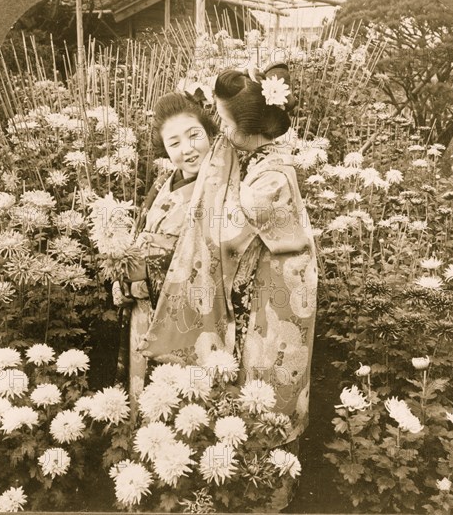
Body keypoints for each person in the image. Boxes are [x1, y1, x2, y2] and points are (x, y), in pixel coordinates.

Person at [140, 63, 317, 510]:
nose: (216, 127)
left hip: (279, 298)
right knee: (253, 382)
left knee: (271, 385)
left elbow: (224, 235)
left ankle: (269, 493)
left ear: (245, 130)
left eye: (221, 119)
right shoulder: (260, 156)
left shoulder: (268, 179)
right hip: (268, 285)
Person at [113, 92, 217, 416]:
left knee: (177, 404)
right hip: (142, 311)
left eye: (194, 135)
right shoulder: (163, 182)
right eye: (174, 143)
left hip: (182, 315)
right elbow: (139, 236)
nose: (186, 149)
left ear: (210, 132)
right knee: (141, 395)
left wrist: (142, 278)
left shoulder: (218, 188)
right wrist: (122, 278)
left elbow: (212, 257)